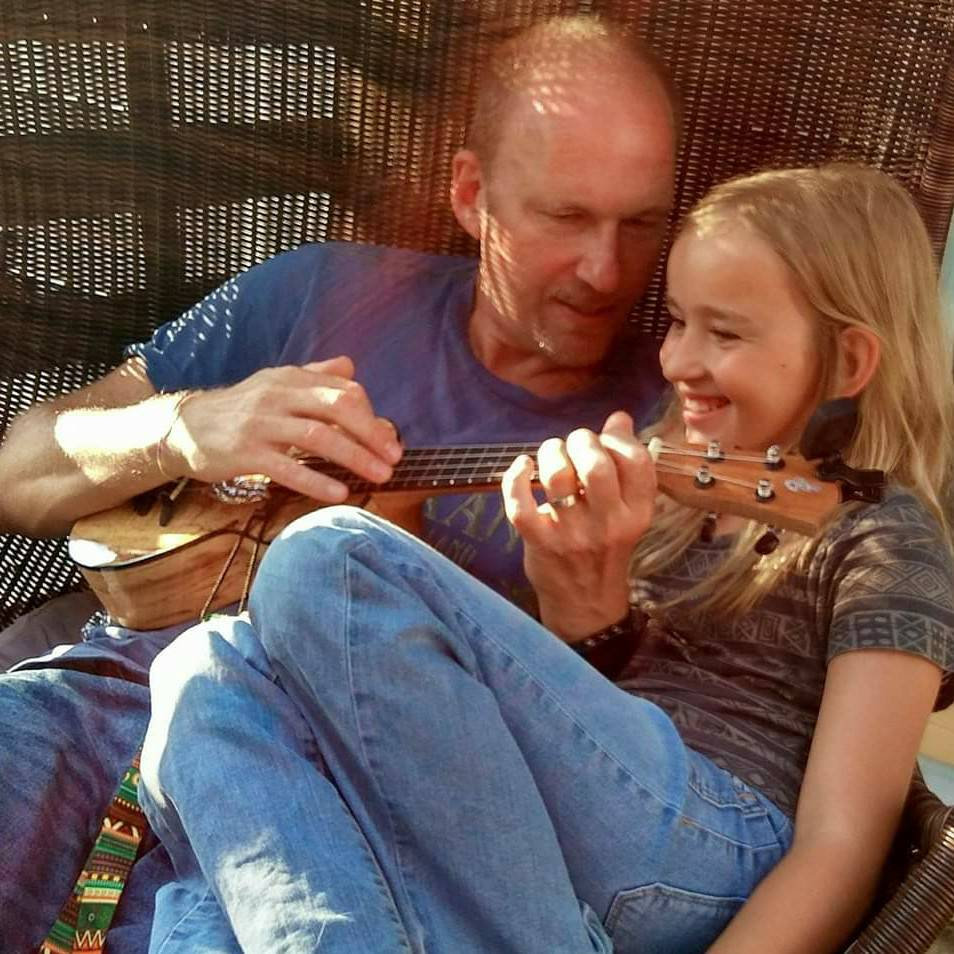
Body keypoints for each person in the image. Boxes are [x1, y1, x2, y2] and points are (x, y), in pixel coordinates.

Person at [139, 163, 954, 954]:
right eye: (677, 322)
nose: (676, 362)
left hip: (714, 849)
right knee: (204, 671)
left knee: (330, 557)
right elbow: (568, 730)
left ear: (851, 361)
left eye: (725, 332)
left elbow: (843, 848)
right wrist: (578, 606)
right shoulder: (667, 484)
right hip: (554, 848)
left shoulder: (887, 539)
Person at [0, 16, 678, 951]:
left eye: (641, 224)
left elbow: (625, 788)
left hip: (330, 809)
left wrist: (591, 620)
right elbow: (19, 470)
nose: (606, 271)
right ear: (472, 193)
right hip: (103, 702)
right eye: (565, 217)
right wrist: (185, 427)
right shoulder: (324, 291)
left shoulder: (673, 428)